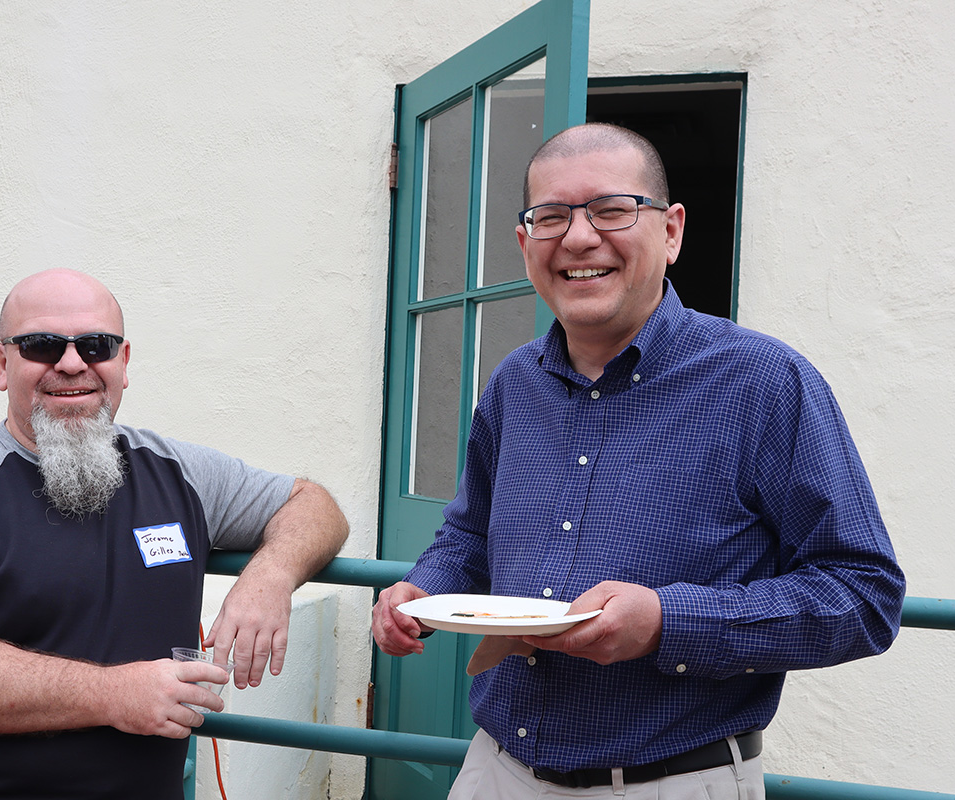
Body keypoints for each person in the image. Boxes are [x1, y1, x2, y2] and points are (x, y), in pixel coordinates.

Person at [372, 123, 905, 799]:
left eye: (612, 210)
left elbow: (864, 595)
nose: (579, 238)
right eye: (552, 216)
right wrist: (423, 587)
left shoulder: (766, 382)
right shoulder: (514, 382)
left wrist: (668, 623)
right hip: (494, 771)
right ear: (524, 242)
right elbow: (469, 534)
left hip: (671, 782)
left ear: (672, 231)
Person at [0, 268, 349, 799]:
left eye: (97, 345)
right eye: (41, 345)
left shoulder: (177, 471)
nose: (72, 364)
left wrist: (271, 575)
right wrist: (112, 694)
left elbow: (315, 506)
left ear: (123, 362)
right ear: (4, 364)